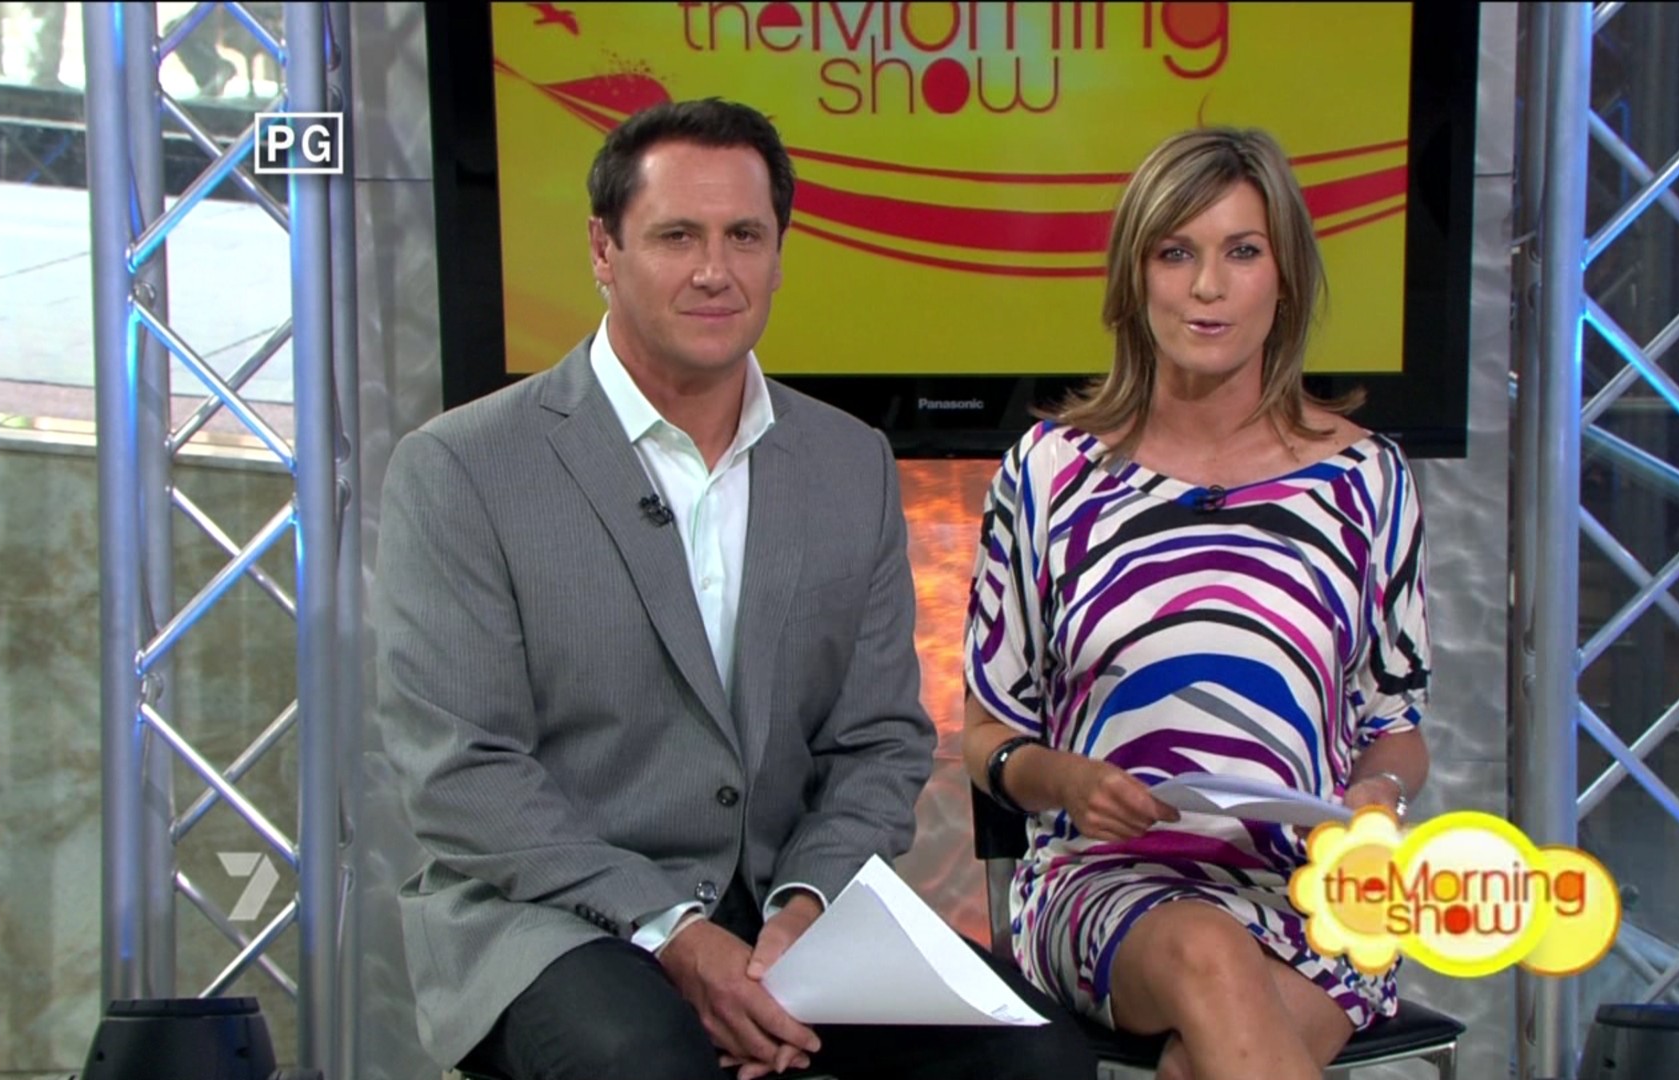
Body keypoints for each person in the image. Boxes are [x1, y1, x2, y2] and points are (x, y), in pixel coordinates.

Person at [376, 98, 1095, 1080]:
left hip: (784, 911)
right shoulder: (464, 467)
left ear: (779, 254)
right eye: (677, 236)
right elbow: (462, 772)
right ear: (603, 249)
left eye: (744, 236)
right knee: (643, 1060)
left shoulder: (848, 462)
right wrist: (674, 933)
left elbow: (879, 741)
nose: (715, 270)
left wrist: (804, 908)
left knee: (1037, 1060)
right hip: (551, 917)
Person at [961, 126, 1434, 1080]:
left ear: (1284, 280)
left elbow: (1396, 727)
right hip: (1104, 883)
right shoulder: (1051, 473)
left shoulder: (1367, 481)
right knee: (1212, 956)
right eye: (1176, 253)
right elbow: (985, 735)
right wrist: (1068, 783)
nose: (1207, 287)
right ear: (1135, 279)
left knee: (1206, 1059)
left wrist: (1376, 800)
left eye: (1241, 252)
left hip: (1310, 887)